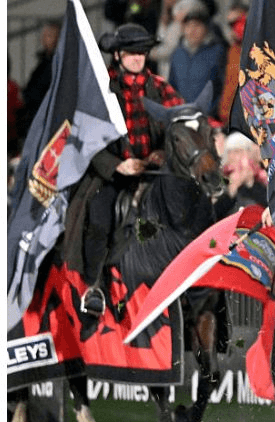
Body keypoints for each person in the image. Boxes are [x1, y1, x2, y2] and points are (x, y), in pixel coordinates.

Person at [64, 23, 184, 317]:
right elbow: (84, 138)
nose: (137, 58)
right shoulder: (101, 89)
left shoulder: (159, 86)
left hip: (154, 173)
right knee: (99, 219)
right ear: (117, 54)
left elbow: (181, 125)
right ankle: (93, 287)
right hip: (111, 175)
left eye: (141, 52)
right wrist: (117, 165)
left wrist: (163, 151)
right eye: (131, 52)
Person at [168, 5, 226, 115]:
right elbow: (172, 86)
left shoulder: (218, 51)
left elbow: (224, 87)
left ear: (206, 28)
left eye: (197, 26)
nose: (192, 30)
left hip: (209, 118)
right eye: (188, 26)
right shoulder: (177, 53)